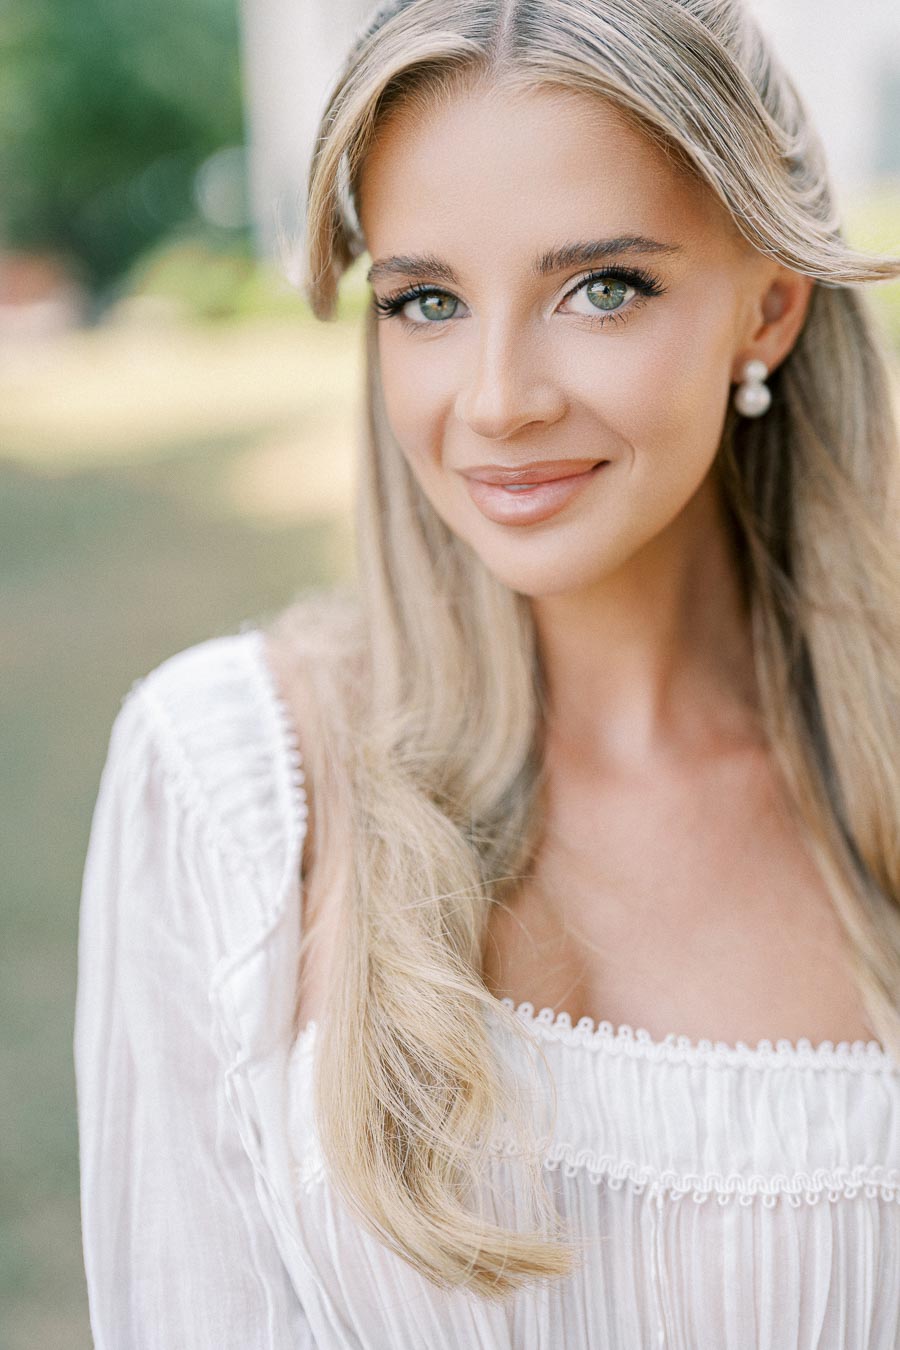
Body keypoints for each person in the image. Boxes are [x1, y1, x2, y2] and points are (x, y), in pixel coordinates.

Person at [74, 0, 900, 1345]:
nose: (499, 396)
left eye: (602, 286)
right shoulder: (234, 784)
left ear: (768, 308)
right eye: (428, 300)